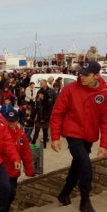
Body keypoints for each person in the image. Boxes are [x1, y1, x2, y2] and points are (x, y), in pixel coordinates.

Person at [50, 61, 107, 212]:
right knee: (85, 164)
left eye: (86, 75)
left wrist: (104, 144)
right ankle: (85, 200)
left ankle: (64, 193)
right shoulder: (69, 89)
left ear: (96, 76)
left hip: (89, 135)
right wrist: (55, 137)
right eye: (81, 73)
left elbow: (105, 121)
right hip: (72, 132)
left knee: (78, 165)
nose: (82, 77)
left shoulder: (104, 92)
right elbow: (57, 114)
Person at [2, 109, 34, 211]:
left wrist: (29, 169)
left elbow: (26, 153)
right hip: (2, 168)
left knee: (12, 192)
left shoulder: (21, 135)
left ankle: (4, 206)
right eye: (9, 120)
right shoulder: (0, 132)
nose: (11, 123)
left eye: (13, 120)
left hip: (14, 170)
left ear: (18, 120)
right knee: (7, 190)